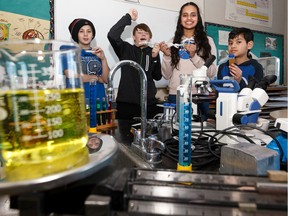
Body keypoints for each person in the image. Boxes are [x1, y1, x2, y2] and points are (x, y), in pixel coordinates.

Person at [159, 2, 217, 120]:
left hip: (199, 97)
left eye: (193, 15)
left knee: (199, 135)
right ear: (180, 19)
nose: (189, 18)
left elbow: (211, 73)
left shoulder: (208, 41)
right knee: (175, 134)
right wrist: (166, 56)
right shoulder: (172, 41)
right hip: (175, 96)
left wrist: (194, 56)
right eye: (185, 15)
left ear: (198, 18)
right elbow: (166, 75)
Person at [107, 8, 163, 120]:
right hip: (126, 104)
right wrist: (128, 17)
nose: (143, 34)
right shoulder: (125, 49)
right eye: (139, 32)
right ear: (133, 37)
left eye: (146, 33)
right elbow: (112, 35)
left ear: (149, 37)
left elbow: (157, 76)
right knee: (123, 135)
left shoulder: (153, 52)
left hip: (148, 105)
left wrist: (155, 57)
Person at [67, 18, 110, 103]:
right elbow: (71, 77)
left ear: (93, 35)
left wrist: (103, 59)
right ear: (76, 35)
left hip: (98, 101)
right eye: (81, 31)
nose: (85, 34)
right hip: (78, 102)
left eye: (89, 31)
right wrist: (96, 77)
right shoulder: (70, 53)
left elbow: (106, 80)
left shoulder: (98, 53)